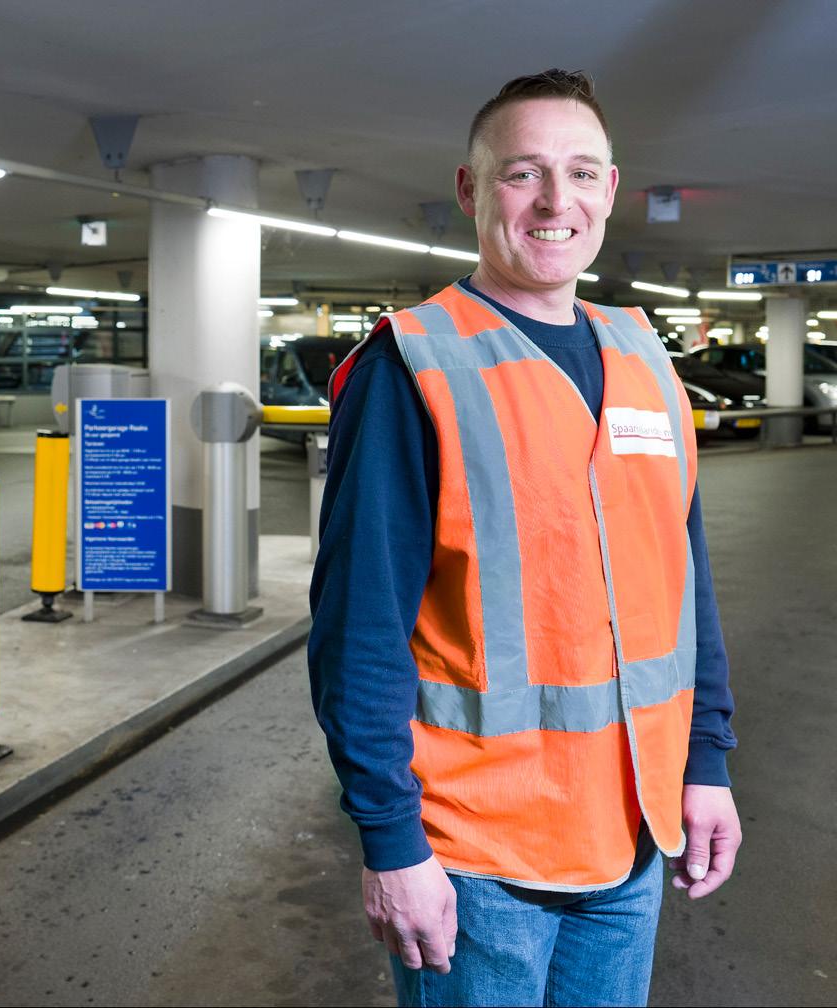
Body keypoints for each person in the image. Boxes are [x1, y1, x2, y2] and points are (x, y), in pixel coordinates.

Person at [308, 69, 741, 1008]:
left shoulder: (643, 356)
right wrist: (391, 842)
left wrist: (704, 764)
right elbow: (358, 632)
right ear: (470, 191)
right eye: (523, 173)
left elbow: (683, 580)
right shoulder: (410, 366)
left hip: (631, 837)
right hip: (476, 854)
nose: (556, 201)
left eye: (581, 173)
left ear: (611, 191)